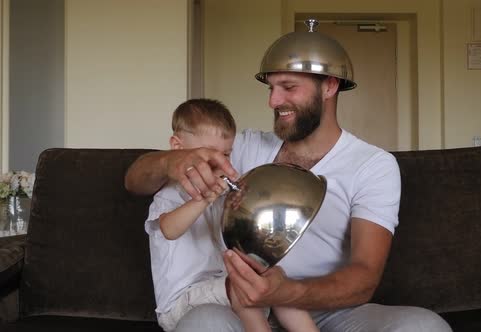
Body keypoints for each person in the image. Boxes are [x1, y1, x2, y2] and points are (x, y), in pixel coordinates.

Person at [127, 21, 452, 331]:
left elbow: (365, 275)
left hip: (326, 313)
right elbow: (135, 179)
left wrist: (286, 291)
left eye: (288, 87)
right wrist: (172, 161)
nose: (273, 101)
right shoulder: (239, 148)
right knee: (202, 324)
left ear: (329, 85)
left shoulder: (372, 165)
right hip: (240, 308)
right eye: (271, 88)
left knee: (424, 326)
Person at [145, 98, 319, 332]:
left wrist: (238, 203)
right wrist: (204, 199)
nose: (221, 164)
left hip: (221, 294)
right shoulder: (169, 195)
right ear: (178, 148)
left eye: (226, 155)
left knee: (275, 282)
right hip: (181, 303)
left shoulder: (218, 196)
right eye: (211, 156)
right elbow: (169, 228)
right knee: (241, 284)